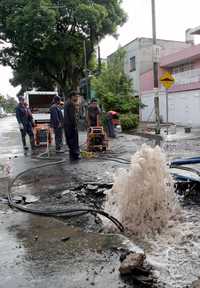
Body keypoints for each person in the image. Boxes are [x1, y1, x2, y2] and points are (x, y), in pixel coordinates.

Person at [64, 91, 80, 161]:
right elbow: (72, 117)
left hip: (67, 125)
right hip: (71, 125)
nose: (77, 97)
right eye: (76, 96)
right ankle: (75, 155)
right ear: (72, 96)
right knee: (74, 141)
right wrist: (75, 125)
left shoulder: (66, 103)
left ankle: (72, 156)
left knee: (70, 141)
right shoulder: (71, 104)